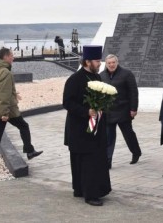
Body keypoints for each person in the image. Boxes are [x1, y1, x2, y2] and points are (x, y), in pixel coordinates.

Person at [0, 47, 43, 177]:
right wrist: (4, 113)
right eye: (11, 56)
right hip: (3, 112)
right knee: (23, 126)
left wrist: (14, 94)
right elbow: (3, 94)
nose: (13, 58)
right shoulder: (6, 73)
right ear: (6, 57)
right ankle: (29, 151)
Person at [62, 45, 111, 206]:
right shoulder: (75, 79)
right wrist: (86, 111)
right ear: (87, 61)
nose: (100, 64)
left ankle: (95, 188)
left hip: (96, 128)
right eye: (97, 61)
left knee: (96, 160)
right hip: (79, 129)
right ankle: (89, 194)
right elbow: (67, 102)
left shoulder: (97, 78)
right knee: (84, 161)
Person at [100, 54, 141, 169]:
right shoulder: (101, 76)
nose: (111, 65)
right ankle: (108, 161)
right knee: (109, 138)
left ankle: (136, 152)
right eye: (109, 63)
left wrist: (133, 109)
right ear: (106, 64)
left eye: (113, 62)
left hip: (124, 110)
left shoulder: (127, 74)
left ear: (117, 62)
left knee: (128, 135)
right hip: (108, 112)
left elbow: (134, 92)